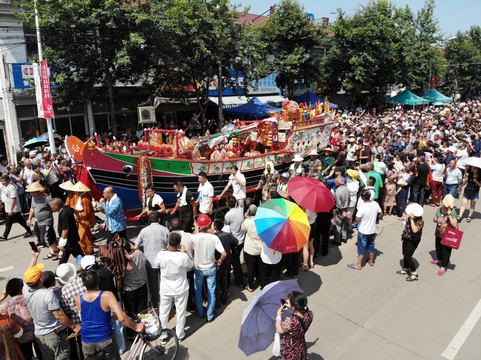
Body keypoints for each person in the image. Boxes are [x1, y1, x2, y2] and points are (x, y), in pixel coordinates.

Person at [22, 249, 80, 360]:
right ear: (40, 280)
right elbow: (58, 315)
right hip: (54, 334)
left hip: (40, 335)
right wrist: (74, 326)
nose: (43, 274)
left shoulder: (26, 290)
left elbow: (27, 274)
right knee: (62, 357)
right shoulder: (47, 294)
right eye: (41, 274)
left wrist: (34, 257)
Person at [75, 269, 144, 360]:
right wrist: (136, 327)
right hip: (105, 338)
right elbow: (122, 318)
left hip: (87, 341)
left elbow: (90, 315)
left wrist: (109, 313)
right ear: (98, 280)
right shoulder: (107, 295)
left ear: (83, 284)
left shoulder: (78, 299)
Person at [154, 232, 194, 341]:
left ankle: (163, 335)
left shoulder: (161, 254)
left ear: (168, 242)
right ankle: (180, 334)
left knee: (163, 312)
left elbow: (156, 264)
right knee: (181, 312)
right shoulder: (183, 256)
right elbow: (191, 265)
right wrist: (184, 252)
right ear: (179, 244)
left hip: (166, 289)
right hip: (180, 289)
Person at [191, 214, 226, 322]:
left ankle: (201, 313)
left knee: (198, 291)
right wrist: (219, 260)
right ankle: (210, 315)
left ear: (198, 225)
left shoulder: (193, 237)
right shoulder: (214, 238)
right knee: (211, 291)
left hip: (198, 269)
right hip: (211, 268)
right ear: (209, 224)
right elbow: (224, 253)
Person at [134, 210, 169, 309]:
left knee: (153, 285)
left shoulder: (144, 231)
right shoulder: (165, 230)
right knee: (164, 283)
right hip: (163, 262)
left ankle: (155, 304)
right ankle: (165, 303)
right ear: (159, 219)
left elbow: (136, 246)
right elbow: (169, 245)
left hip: (149, 262)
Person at [0, 278, 37, 360]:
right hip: (37, 335)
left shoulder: (5, 306)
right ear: (21, 290)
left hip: (21, 340)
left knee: (26, 356)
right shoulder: (30, 299)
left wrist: (2, 297)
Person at [348, 190, 383, 270]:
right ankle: (371, 261)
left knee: (361, 247)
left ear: (362, 197)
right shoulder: (375, 204)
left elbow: (357, 219)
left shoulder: (362, 207)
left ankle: (359, 264)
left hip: (363, 230)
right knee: (371, 245)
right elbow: (381, 214)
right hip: (372, 230)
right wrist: (375, 218)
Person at [25, 181, 59, 259]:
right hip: (38, 221)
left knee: (46, 238)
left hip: (46, 221)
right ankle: (52, 252)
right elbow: (32, 208)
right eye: (31, 193)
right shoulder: (34, 198)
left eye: (33, 192)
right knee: (49, 237)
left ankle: (57, 252)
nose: (31, 194)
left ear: (39, 191)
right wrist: (29, 219)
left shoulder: (46, 198)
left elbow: (55, 206)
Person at [275, 291, 313, 360]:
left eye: (289, 302)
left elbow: (279, 330)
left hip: (290, 347)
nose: (287, 302)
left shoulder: (291, 320)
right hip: (301, 344)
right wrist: (292, 305)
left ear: (294, 307)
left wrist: (278, 315)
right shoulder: (310, 314)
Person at [49, 198, 84, 264]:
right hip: (70, 240)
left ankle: (89, 267)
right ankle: (59, 272)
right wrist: (78, 217)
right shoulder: (66, 208)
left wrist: (61, 244)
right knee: (64, 257)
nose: (51, 207)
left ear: (56, 206)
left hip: (70, 241)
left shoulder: (64, 214)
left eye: (51, 206)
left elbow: (65, 230)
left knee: (79, 256)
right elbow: (74, 210)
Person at [431, 194, 458, 276]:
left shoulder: (453, 212)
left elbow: (454, 224)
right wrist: (436, 219)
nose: (441, 202)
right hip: (439, 233)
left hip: (447, 235)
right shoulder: (440, 210)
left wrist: (449, 216)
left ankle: (443, 266)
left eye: (443, 201)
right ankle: (439, 260)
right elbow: (434, 218)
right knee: (438, 248)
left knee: (445, 251)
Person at [0, 174, 32, 241]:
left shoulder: (11, 187)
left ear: (8, 181)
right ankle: (5, 236)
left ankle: (29, 231)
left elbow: (14, 199)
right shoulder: (5, 187)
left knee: (20, 221)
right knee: (9, 222)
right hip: (8, 207)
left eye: (3, 181)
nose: (2, 183)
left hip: (14, 208)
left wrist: (11, 210)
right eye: (1, 181)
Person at [212, 219, 238, 304]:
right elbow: (236, 241)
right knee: (225, 278)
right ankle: (225, 297)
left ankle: (218, 300)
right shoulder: (227, 235)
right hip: (226, 261)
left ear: (214, 227)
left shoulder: (213, 237)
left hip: (217, 262)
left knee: (217, 280)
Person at [397, 205, 424, 282]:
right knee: (404, 253)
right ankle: (406, 268)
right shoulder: (410, 217)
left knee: (408, 256)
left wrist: (412, 220)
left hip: (413, 240)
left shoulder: (420, 221)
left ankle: (414, 273)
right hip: (406, 238)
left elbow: (415, 230)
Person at [224, 195, 245, 288]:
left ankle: (239, 282)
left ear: (227, 204)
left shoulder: (228, 215)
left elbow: (225, 227)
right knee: (236, 262)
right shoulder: (240, 210)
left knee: (235, 263)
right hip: (242, 239)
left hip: (235, 242)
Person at [70, 181, 97, 255]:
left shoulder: (85, 199)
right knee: (87, 237)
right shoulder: (80, 197)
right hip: (82, 220)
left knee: (80, 238)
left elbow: (86, 213)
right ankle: (90, 251)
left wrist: (77, 215)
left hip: (85, 221)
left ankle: (85, 252)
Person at [241, 205, 263, 292]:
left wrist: (246, 218)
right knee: (259, 267)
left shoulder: (248, 222)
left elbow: (243, 229)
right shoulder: (261, 221)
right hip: (260, 248)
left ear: (249, 212)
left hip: (250, 249)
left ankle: (250, 286)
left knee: (250, 269)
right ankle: (260, 282)